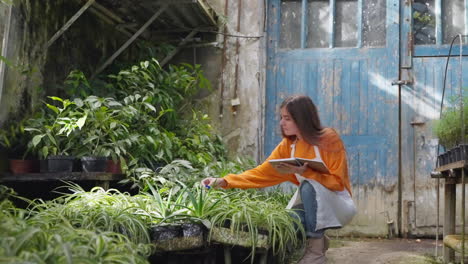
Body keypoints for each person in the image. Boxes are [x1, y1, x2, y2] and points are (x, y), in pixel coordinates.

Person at [202, 95, 356, 264]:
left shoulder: (328, 138)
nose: (282, 123)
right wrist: (224, 181)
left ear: (302, 119)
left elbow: (337, 182)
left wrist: (307, 173)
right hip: (310, 206)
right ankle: (315, 241)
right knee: (290, 222)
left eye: (287, 118)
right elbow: (261, 173)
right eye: (281, 118)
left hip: (338, 204)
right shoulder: (288, 146)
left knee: (307, 187)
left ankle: (316, 252)